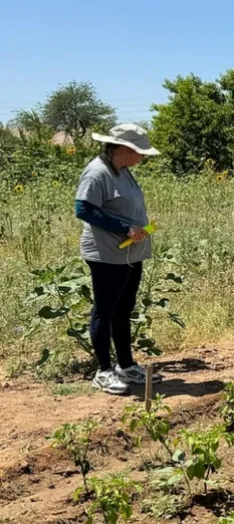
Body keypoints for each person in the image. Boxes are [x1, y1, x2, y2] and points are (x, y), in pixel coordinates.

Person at [75, 124, 161, 395]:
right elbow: (84, 208)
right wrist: (124, 228)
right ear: (125, 149)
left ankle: (126, 365)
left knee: (124, 309)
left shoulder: (122, 171)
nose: (142, 158)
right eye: (140, 152)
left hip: (129, 253)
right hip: (107, 253)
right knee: (105, 310)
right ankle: (103, 371)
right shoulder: (97, 172)